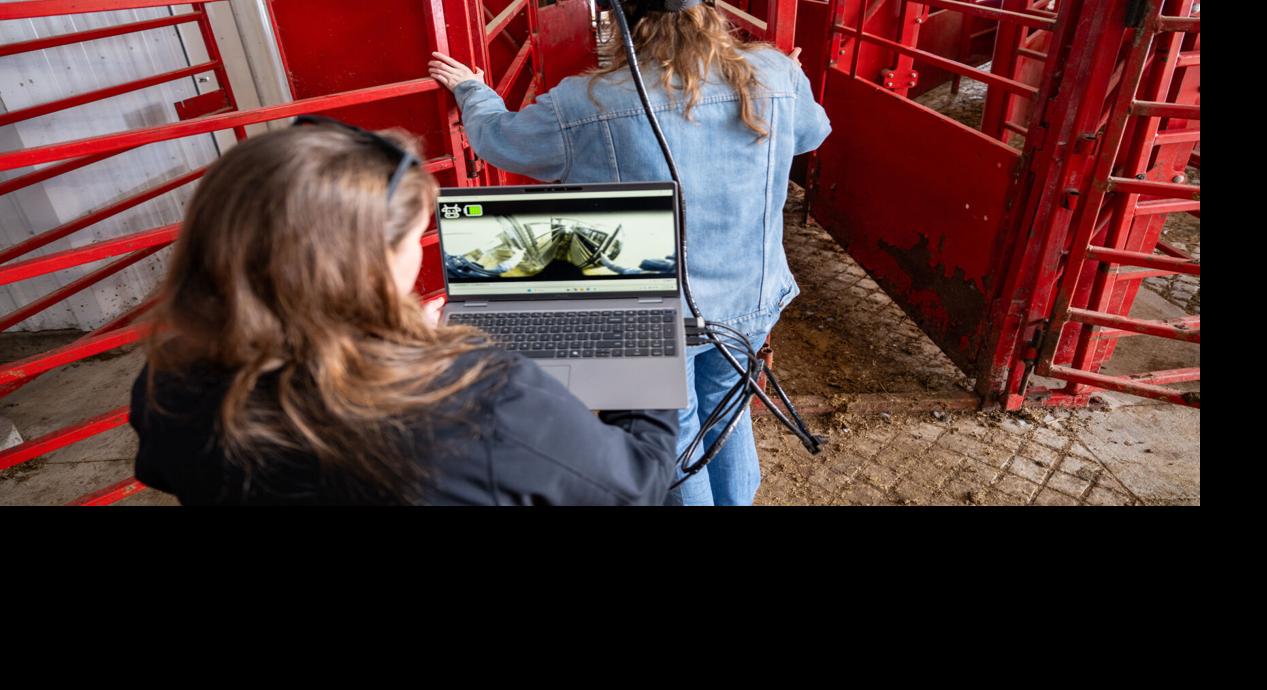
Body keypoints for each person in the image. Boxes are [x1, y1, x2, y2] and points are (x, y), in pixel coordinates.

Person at [130, 119, 678, 505]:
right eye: (417, 238)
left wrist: (385, 335)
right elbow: (637, 486)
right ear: (363, 271)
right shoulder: (477, 399)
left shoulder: (168, 378)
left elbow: (158, 468)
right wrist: (642, 368)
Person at [428, 0, 831, 506]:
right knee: (728, 413)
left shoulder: (584, 101)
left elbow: (502, 142)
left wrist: (472, 90)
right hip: (751, 299)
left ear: (621, 21)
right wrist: (787, 82)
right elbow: (813, 133)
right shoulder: (775, 72)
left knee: (676, 437)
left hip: (653, 315)